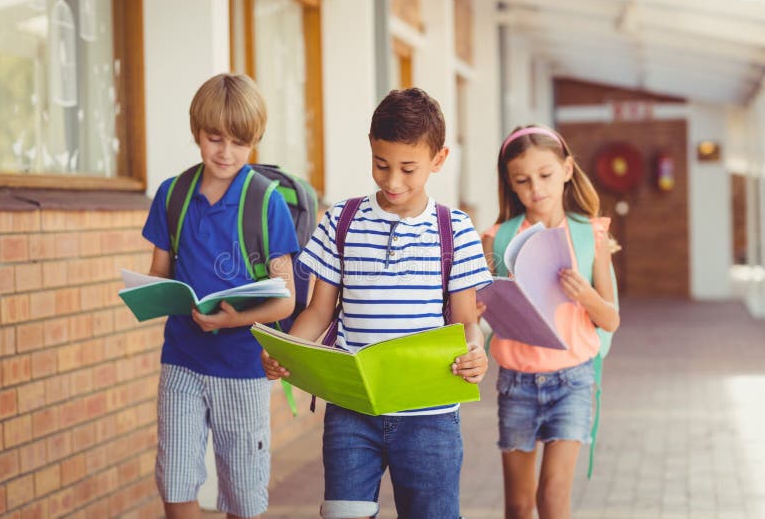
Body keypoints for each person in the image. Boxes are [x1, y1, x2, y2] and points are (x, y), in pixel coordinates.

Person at [262, 87, 493, 519]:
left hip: (431, 418)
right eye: (381, 164)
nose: (392, 181)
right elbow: (318, 311)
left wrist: (475, 352)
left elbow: (465, 322)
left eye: (409, 168)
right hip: (353, 412)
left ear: (438, 160)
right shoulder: (342, 220)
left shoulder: (455, 229)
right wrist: (286, 351)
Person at [142, 73, 300, 519]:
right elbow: (160, 272)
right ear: (197, 132)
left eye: (239, 142)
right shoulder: (173, 194)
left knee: (243, 494)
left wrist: (228, 320)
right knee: (174, 481)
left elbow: (285, 299)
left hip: (242, 367)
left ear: (255, 141)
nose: (226, 153)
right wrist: (149, 294)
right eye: (215, 139)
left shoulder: (265, 202)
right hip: (182, 361)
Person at [479, 125, 620, 519]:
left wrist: (585, 295)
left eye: (545, 175)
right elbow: (480, 311)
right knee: (519, 504)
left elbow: (610, 319)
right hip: (517, 383)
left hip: (573, 381)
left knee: (554, 497)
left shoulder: (590, 234)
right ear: (509, 184)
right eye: (522, 181)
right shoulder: (497, 238)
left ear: (568, 169)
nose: (535, 189)